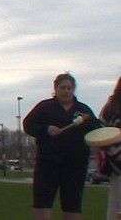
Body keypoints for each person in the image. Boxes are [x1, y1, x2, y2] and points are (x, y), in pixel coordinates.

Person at [23, 73, 101, 220]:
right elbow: (28, 125)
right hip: (47, 163)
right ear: (56, 89)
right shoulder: (44, 107)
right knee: (42, 203)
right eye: (62, 87)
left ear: (73, 90)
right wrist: (46, 129)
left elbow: (95, 131)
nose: (66, 91)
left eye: (69, 88)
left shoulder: (84, 110)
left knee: (72, 204)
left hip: (75, 165)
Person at [100, 76, 121, 220]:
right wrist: (114, 151)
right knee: (116, 205)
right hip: (117, 164)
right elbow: (101, 129)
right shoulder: (112, 104)